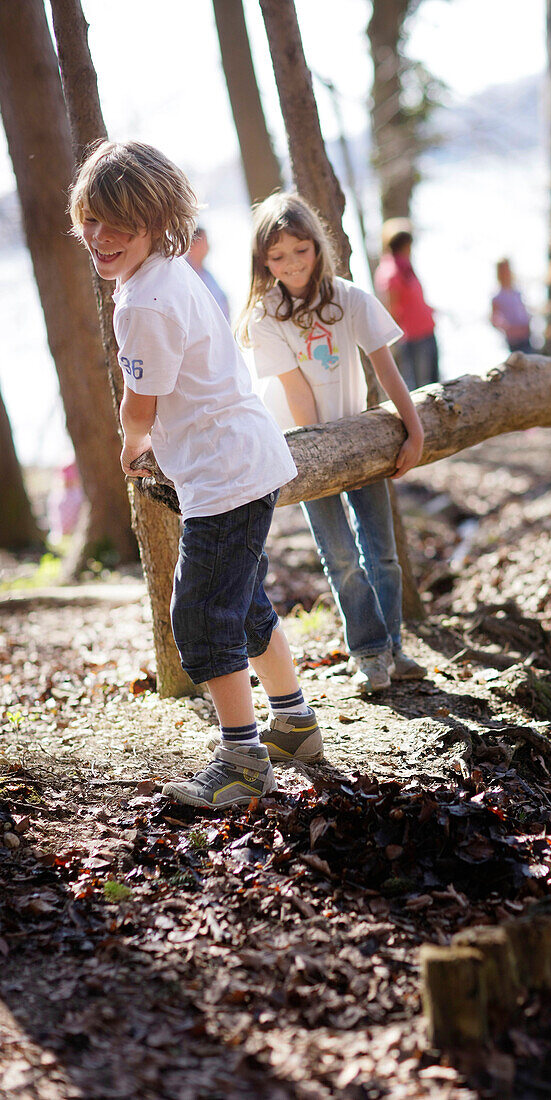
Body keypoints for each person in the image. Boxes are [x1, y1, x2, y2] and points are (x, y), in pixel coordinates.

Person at [69, 141, 323, 810]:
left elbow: (142, 401)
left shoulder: (142, 303)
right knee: (241, 602)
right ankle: (293, 725)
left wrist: (131, 441)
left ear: (157, 221)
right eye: (90, 219)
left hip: (224, 473)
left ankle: (241, 760)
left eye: (118, 223)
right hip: (240, 459)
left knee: (201, 616)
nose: (99, 236)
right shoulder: (165, 273)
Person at [239, 192, 426, 695]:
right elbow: (297, 393)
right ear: (263, 262)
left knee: (381, 553)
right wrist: (324, 455)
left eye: (300, 251)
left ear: (317, 247)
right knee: (341, 556)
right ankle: (368, 653)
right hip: (304, 452)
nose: (292, 265)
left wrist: (415, 429)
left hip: (361, 442)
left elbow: (386, 367)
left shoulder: (349, 298)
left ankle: (392, 648)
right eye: (277, 257)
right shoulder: (266, 315)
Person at [374, 218, 439, 391]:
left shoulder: (406, 267)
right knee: (421, 386)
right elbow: (392, 307)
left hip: (426, 330)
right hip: (412, 338)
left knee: (435, 383)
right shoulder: (390, 272)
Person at [186, 225, 230, 321]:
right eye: (204, 242)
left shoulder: (206, 274)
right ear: (192, 245)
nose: (208, 247)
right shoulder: (183, 273)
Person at [490, 258, 533, 353]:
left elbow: (524, 310)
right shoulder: (497, 296)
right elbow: (494, 319)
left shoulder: (517, 292)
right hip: (513, 339)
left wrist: (528, 324)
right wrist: (507, 328)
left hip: (526, 335)